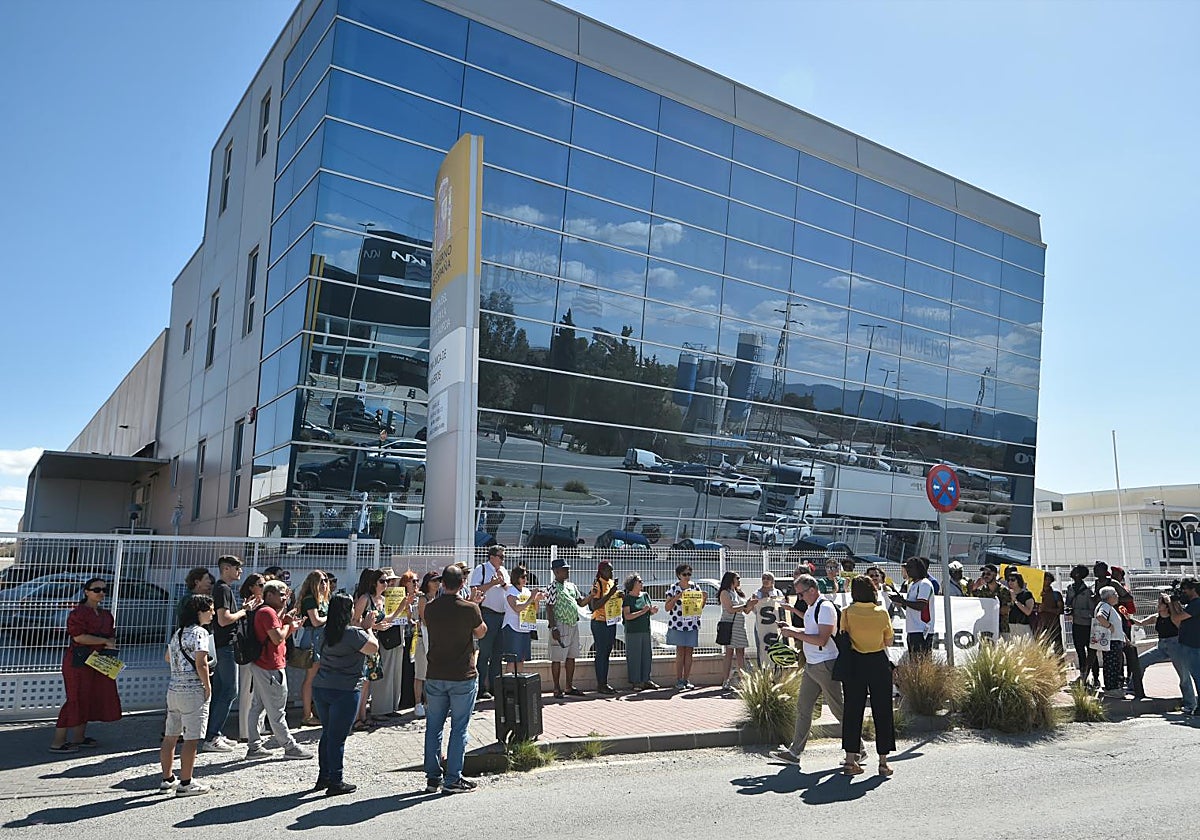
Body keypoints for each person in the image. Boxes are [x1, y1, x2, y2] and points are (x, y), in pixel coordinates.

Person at [771, 574, 863, 768]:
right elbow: (811, 632)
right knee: (803, 708)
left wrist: (794, 633)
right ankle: (795, 752)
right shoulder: (813, 607)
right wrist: (792, 629)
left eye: (801, 594)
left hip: (825, 664)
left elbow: (822, 639)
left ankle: (859, 749)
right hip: (813, 665)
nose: (800, 598)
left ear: (812, 590)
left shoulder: (825, 608)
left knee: (839, 710)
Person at [423, 564, 487, 795]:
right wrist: (475, 605)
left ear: (442, 583)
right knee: (459, 727)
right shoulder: (470, 609)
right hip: (462, 675)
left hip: (435, 673)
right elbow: (480, 632)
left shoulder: (430, 608)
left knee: (434, 727)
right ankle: (453, 778)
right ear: (462, 584)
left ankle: (433, 777)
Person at [312, 591, 378, 796]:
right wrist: (368, 629)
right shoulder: (354, 634)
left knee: (328, 733)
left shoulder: (324, 631)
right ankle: (336, 781)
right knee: (338, 737)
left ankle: (324, 776)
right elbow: (372, 648)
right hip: (345, 690)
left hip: (322, 686)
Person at [49, 577, 122, 752]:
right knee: (75, 698)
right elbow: (78, 637)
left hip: (98, 661)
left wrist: (108, 641)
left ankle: (79, 737)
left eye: (104, 590)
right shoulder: (78, 613)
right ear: (86, 592)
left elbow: (111, 635)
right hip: (78, 661)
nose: (102, 593)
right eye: (97, 590)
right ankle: (58, 742)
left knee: (90, 697)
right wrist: (104, 640)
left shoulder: (105, 615)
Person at [245, 579, 312, 760]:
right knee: (277, 709)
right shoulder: (268, 613)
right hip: (270, 665)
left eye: (286, 594)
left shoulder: (267, 612)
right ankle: (289, 747)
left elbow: (278, 634)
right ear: (269, 595)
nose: (284, 598)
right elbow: (277, 638)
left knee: (257, 707)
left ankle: (254, 747)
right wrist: (289, 626)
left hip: (263, 664)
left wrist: (287, 623)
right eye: (281, 595)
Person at [839, 575, 895, 777]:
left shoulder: (847, 612)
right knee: (883, 711)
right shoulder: (881, 613)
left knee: (852, 710)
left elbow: (843, 635)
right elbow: (888, 641)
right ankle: (883, 762)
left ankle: (850, 760)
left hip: (854, 662)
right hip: (878, 662)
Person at [159, 594, 214, 796]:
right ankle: (186, 782)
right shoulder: (201, 633)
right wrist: (207, 685)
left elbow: (167, 657)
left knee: (170, 736)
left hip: (174, 689)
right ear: (199, 611)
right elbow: (201, 662)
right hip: (192, 690)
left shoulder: (179, 633)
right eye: (210, 609)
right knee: (191, 739)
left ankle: (167, 779)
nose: (212, 613)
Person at [203, 555, 258, 753]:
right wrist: (244, 611)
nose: (240, 572)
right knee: (229, 691)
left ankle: (214, 732)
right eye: (237, 568)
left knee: (220, 691)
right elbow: (224, 619)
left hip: (222, 645)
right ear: (226, 568)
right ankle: (212, 736)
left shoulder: (221, 589)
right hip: (224, 646)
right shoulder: (223, 589)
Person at [1129, 591, 1190, 709]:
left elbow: (1182, 628)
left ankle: (1190, 703)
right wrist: (1129, 618)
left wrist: (1169, 601)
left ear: (1167, 606)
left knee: (1184, 676)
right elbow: (1141, 623)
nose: (1158, 605)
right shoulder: (1156, 617)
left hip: (1175, 646)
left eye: (1160, 603)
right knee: (1140, 661)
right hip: (1161, 646)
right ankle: (1133, 688)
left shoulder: (1174, 617)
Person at [371, 569, 416, 721]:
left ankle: (391, 707)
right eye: (386, 580)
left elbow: (407, 618)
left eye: (391, 580)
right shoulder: (378, 599)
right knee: (385, 672)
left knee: (396, 672)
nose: (390, 583)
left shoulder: (396, 596)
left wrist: (406, 606)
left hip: (398, 635)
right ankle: (380, 709)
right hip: (385, 638)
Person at [351, 568, 393, 728]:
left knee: (368, 681)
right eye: (382, 581)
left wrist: (403, 605)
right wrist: (373, 626)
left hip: (374, 642)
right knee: (362, 681)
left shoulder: (381, 599)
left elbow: (388, 618)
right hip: (364, 642)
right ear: (374, 582)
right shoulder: (364, 598)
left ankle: (362, 715)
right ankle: (356, 718)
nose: (386, 584)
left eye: (386, 581)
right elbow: (355, 622)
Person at [469, 545, 510, 700]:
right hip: (488, 614)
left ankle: (495, 687)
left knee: (498, 654)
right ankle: (480, 688)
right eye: (501, 556)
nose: (503, 559)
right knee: (485, 653)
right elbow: (474, 589)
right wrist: (492, 584)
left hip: (502, 616)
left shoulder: (504, 571)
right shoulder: (482, 569)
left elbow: (508, 589)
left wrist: (502, 582)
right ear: (492, 557)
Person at [544, 557, 589, 698]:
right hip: (560, 624)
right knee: (557, 657)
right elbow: (549, 608)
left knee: (571, 656)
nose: (567, 571)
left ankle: (569, 686)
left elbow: (581, 603)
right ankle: (557, 688)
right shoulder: (552, 587)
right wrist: (553, 627)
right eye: (564, 569)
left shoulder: (571, 586)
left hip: (573, 624)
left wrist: (592, 595)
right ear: (556, 571)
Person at [296, 570, 330, 726]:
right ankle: (306, 714)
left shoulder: (323, 599)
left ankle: (316, 709)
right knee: (310, 678)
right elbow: (315, 621)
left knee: (318, 677)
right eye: (321, 581)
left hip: (322, 638)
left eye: (326, 580)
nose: (324, 583)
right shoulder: (310, 599)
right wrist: (331, 616)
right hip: (313, 638)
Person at [664, 563, 705, 690]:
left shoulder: (695, 587)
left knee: (689, 653)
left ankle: (687, 679)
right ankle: (679, 680)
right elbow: (667, 607)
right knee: (680, 652)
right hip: (678, 624)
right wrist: (677, 597)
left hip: (692, 624)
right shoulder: (673, 588)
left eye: (689, 574)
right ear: (678, 575)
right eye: (684, 574)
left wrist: (704, 599)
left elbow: (699, 608)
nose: (687, 577)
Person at [717, 572, 758, 690]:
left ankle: (743, 679)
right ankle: (725, 680)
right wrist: (746, 604)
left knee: (741, 653)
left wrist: (750, 604)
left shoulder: (738, 593)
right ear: (731, 580)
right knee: (729, 653)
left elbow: (745, 611)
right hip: (730, 625)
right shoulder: (725, 593)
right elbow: (729, 609)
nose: (739, 580)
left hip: (740, 625)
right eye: (737, 578)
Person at [502, 565, 545, 675]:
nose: (525, 579)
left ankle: (518, 686)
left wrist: (537, 600)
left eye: (526, 576)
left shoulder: (526, 591)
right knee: (512, 661)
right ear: (516, 577)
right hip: (512, 628)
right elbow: (517, 608)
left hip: (525, 628)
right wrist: (532, 598)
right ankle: (509, 687)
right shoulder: (511, 591)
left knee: (521, 660)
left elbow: (535, 610)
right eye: (523, 576)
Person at [588, 560, 621, 694]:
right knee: (601, 652)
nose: (611, 573)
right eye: (608, 570)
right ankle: (601, 683)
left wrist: (619, 595)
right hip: (599, 622)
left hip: (610, 621)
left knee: (607, 652)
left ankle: (605, 682)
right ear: (601, 571)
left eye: (612, 570)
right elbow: (594, 605)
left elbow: (612, 600)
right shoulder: (598, 584)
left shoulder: (611, 583)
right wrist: (610, 593)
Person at [890, 557, 935, 657]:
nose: (908, 570)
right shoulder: (913, 584)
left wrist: (903, 601)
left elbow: (921, 606)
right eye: (907, 567)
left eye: (910, 567)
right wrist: (900, 602)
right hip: (913, 629)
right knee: (914, 661)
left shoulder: (924, 584)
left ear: (918, 568)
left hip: (922, 629)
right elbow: (911, 607)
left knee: (921, 662)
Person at [412, 571, 442, 718]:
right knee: (420, 673)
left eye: (439, 581)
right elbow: (424, 619)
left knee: (431, 673)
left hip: (435, 637)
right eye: (434, 581)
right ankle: (418, 703)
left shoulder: (438, 597)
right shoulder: (423, 599)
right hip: (423, 637)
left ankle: (428, 702)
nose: (437, 583)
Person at [1169, 576, 1200, 715]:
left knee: (1198, 677)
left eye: (1184, 590)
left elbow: (1176, 618)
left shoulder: (1197, 603)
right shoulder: (1192, 605)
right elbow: (1179, 621)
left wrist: (1171, 604)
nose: (1183, 593)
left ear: (1193, 589)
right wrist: (1175, 603)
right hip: (1190, 645)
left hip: (1194, 646)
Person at [622, 574, 658, 690]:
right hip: (633, 631)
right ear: (633, 584)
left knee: (646, 656)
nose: (642, 583)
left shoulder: (645, 595)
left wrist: (652, 611)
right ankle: (636, 681)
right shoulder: (628, 598)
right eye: (639, 581)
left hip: (645, 630)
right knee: (634, 656)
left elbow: (649, 610)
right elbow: (627, 616)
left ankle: (646, 679)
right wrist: (642, 612)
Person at [1065, 565, 1099, 686]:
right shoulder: (1070, 588)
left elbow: (1092, 612)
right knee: (1080, 652)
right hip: (1076, 625)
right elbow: (1067, 604)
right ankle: (1083, 676)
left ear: (1078, 574)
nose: (1072, 572)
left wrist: (1077, 612)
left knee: (1091, 652)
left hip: (1088, 626)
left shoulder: (1088, 591)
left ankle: (1096, 677)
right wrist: (1068, 610)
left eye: (1074, 570)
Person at [1093, 586, 1126, 697]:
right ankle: (1111, 689)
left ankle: (1113, 687)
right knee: (1112, 665)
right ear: (1109, 597)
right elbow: (1100, 616)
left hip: (1115, 640)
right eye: (1115, 594)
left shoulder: (1108, 607)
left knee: (1113, 664)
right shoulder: (1105, 606)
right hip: (1112, 641)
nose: (1117, 596)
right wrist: (1109, 626)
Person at [971, 563, 1013, 638]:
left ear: (995, 574)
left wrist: (991, 610)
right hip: (986, 628)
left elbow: (1006, 610)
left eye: (988, 573)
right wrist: (977, 584)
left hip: (1002, 627)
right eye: (983, 574)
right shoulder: (981, 590)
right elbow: (972, 601)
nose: (985, 576)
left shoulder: (1004, 590)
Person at [753, 573, 784, 665]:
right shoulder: (756, 593)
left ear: (773, 581)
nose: (765, 580)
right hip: (761, 626)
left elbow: (782, 607)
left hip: (775, 627)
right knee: (762, 648)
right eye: (763, 578)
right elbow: (754, 610)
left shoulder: (778, 593)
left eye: (768, 578)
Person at [1037, 572, 1065, 653]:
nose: (1047, 582)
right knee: (1042, 648)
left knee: (1058, 648)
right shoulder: (1036, 593)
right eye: (1045, 579)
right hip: (1040, 625)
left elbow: (1060, 610)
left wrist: (1046, 609)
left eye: (1049, 580)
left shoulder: (1056, 594)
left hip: (1054, 624)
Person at [1007, 573, 1036, 639]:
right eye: (1008, 580)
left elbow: (1028, 612)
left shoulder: (1026, 594)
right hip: (1010, 625)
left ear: (1019, 581)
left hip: (1023, 625)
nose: (1010, 582)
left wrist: (1015, 600)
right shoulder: (1007, 594)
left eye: (1013, 580)